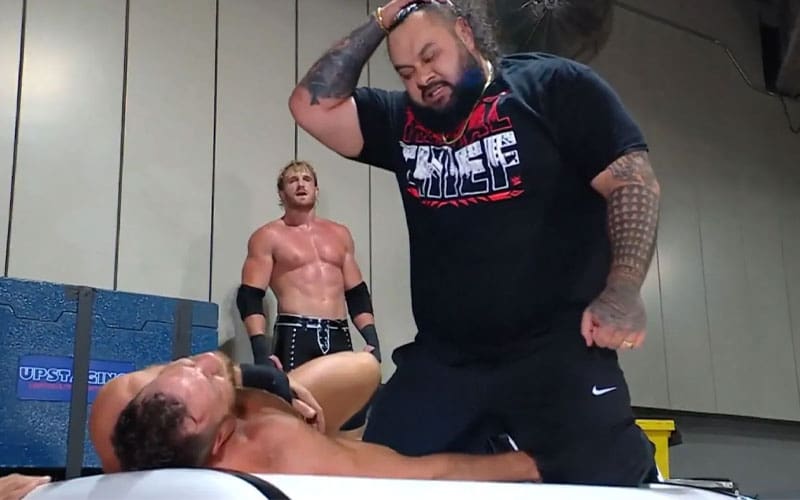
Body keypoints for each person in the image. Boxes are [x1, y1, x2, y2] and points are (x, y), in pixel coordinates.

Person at [288, 0, 661, 487]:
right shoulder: (401, 120)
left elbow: (631, 183)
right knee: (381, 481)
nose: (422, 78)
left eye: (430, 56)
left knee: (608, 481)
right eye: (405, 71)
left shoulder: (549, 86)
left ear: (465, 33)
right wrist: (382, 20)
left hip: (554, 350)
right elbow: (311, 106)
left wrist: (624, 287)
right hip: (446, 360)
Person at [104, 350, 540, 482]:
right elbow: (425, 474)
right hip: (342, 458)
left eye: (184, 365)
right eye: (212, 378)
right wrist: (534, 465)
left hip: (295, 422)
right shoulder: (285, 453)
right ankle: (351, 439)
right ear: (221, 438)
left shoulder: (120, 409)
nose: (206, 359)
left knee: (362, 368)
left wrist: (254, 378)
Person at [236, 160, 382, 372]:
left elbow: (356, 292)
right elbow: (250, 296)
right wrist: (260, 350)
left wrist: (372, 339)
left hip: (339, 333)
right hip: (296, 333)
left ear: (316, 189)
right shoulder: (268, 236)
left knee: (345, 394)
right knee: (294, 394)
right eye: (292, 180)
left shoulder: (340, 234)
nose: (301, 184)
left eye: (307, 179)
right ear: (281, 193)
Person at [89, 350, 330, 473]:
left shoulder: (121, 399)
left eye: (189, 364)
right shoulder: (262, 450)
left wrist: (260, 378)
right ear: (221, 436)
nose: (206, 358)